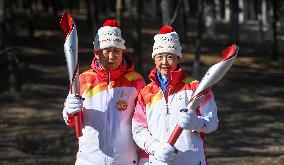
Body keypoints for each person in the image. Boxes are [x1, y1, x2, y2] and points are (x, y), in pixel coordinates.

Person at [62, 19, 146, 165]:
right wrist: (69, 111)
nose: (112, 56)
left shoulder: (135, 81)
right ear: (97, 53)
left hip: (125, 161)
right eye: (107, 51)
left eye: (116, 51)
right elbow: (72, 121)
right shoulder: (83, 80)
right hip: (89, 161)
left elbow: (145, 122)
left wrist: (145, 159)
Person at [132, 26, 219, 165]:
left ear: (178, 59)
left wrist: (196, 123)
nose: (164, 62)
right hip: (159, 160)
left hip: (191, 161)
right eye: (160, 57)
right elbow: (138, 129)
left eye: (170, 57)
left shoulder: (194, 87)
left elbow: (213, 122)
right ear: (154, 58)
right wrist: (155, 148)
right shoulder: (146, 93)